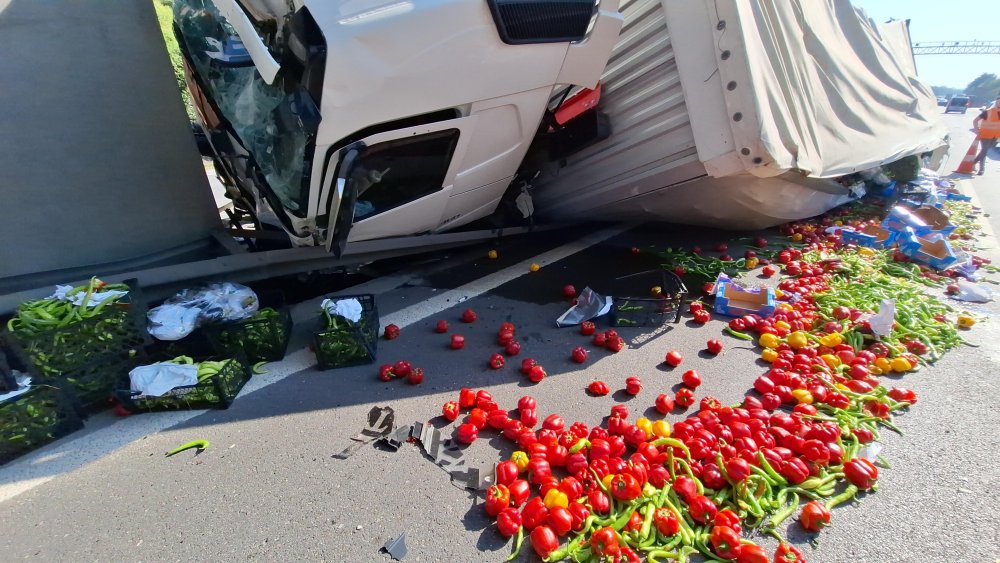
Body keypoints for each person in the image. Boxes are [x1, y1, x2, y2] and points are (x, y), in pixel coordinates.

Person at [972, 95, 1000, 175]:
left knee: (985, 151)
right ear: (996, 102)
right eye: (999, 102)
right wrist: (977, 129)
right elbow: (975, 120)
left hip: (996, 136)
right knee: (984, 151)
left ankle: (973, 163)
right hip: (985, 135)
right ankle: (981, 169)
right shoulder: (988, 111)